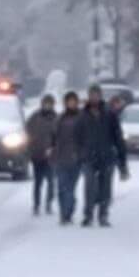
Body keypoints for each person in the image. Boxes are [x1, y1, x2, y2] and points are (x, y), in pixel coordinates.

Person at [82, 92, 129, 227]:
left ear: (100, 97)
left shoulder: (109, 115)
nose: (94, 98)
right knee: (89, 187)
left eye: (96, 95)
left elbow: (118, 139)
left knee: (106, 188)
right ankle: (88, 215)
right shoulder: (83, 115)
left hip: (107, 157)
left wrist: (122, 163)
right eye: (92, 95)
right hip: (88, 157)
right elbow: (76, 136)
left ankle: (103, 214)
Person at [51, 91, 86, 225]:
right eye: (69, 101)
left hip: (76, 158)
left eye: (73, 101)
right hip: (60, 158)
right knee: (61, 188)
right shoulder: (60, 118)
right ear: (65, 103)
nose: (71, 103)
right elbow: (53, 136)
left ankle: (68, 213)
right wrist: (51, 148)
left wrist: (82, 154)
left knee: (70, 188)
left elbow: (86, 138)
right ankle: (63, 213)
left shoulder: (82, 118)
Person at [24, 94, 60, 215]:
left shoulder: (57, 118)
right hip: (37, 154)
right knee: (38, 182)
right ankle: (36, 204)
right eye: (46, 103)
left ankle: (49, 203)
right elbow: (27, 133)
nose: (47, 105)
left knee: (51, 181)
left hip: (51, 155)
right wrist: (29, 149)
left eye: (50, 103)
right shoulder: (34, 117)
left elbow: (60, 136)